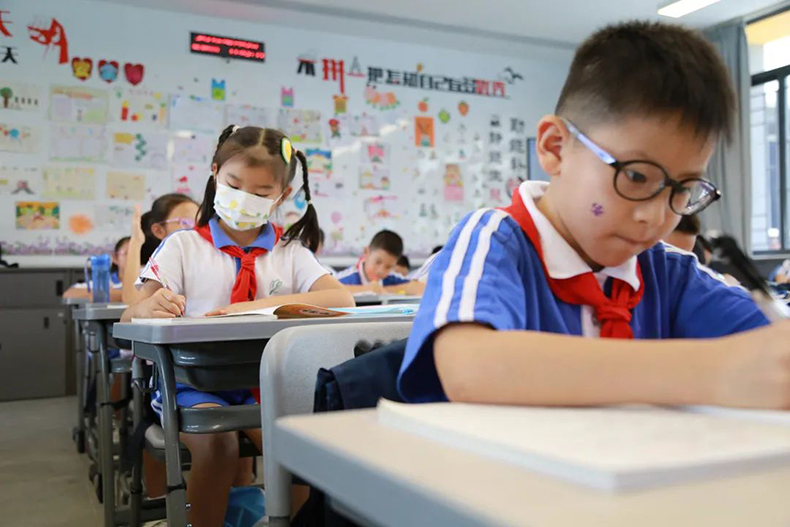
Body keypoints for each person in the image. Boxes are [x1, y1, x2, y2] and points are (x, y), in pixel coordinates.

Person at [397, 21, 790, 412]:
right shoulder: (495, 241)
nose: (655, 217)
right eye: (636, 176)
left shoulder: (668, 272)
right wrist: (711, 371)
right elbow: (470, 367)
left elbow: (772, 345)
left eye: (683, 189)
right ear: (554, 148)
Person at [121, 125, 352, 526]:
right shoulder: (183, 246)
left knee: (296, 446)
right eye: (233, 183)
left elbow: (340, 299)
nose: (245, 198)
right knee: (218, 446)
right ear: (214, 174)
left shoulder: (288, 251)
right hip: (191, 384)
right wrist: (149, 306)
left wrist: (257, 306)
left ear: (281, 196)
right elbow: (129, 316)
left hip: (261, 383)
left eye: (261, 193)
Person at [121, 195, 198, 305]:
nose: (195, 229)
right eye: (185, 222)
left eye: (199, 223)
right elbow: (132, 301)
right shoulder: (167, 261)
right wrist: (136, 241)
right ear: (158, 230)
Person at [337, 230, 424, 295]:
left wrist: (383, 291)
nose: (381, 271)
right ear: (366, 252)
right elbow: (327, 291)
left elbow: (421, 287)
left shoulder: (391, 278)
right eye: (378, 262)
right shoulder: (346, 278)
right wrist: (368, 289)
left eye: (388, 267)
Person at [63, 236, 129, 301]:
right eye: (127, 253)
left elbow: (137, 290)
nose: (134, 258)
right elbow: (68, 294)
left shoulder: (139, 278)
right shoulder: (106, 281)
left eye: (138, 254)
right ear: (115, 258)